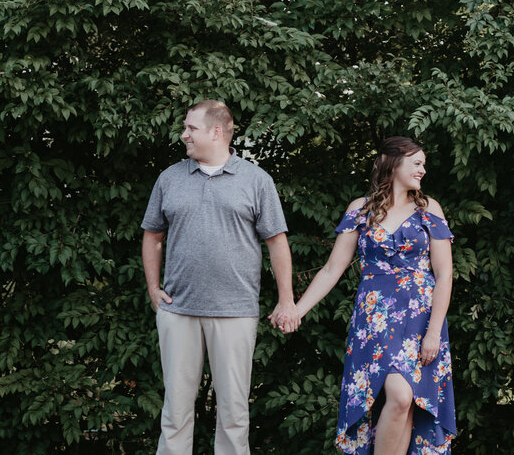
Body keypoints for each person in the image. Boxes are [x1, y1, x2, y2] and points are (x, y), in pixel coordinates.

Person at [275, 136, 456, 454]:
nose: (423, 170)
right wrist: (297, 310)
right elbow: (332, 270)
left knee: (407, 403)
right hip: (374, 318)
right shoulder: (361, 209)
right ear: (393, 163)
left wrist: (433, 332)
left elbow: (444, 274)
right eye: (417, 163)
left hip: (421, 318)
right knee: (400, 397)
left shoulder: (430, 210)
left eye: (424, 164)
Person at [142, 99, 300, 455]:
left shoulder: (256, 180)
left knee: (233, 413)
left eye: (191, 128)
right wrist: (154, 288)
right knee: (175, 412)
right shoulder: (170, 178)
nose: (184, 134)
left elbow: (277, 242)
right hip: (178, 310)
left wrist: (286, 298)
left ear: (216, 132)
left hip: (236, 311)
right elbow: (153, 235)